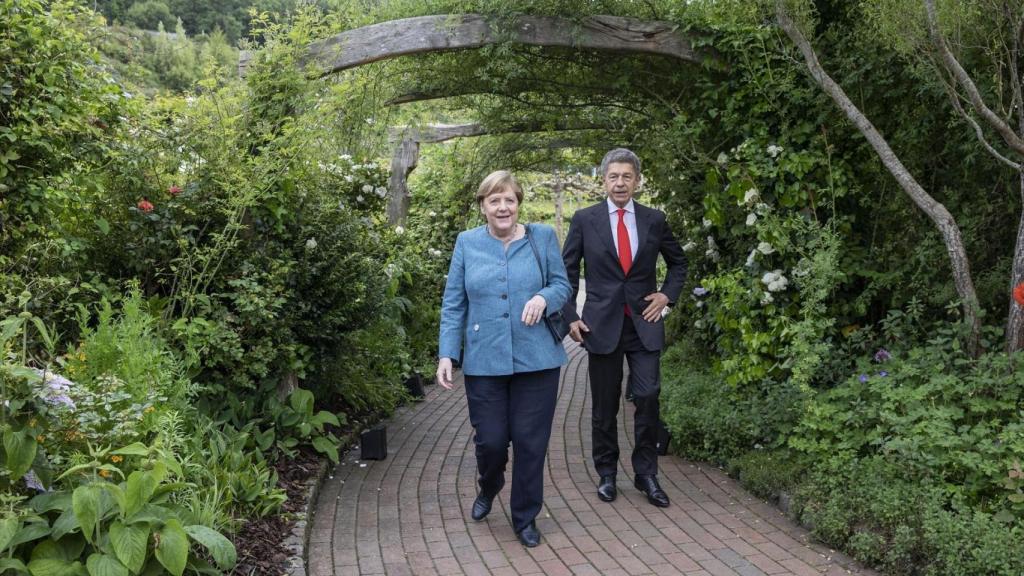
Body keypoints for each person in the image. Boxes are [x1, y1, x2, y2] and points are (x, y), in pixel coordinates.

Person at [436, 170, 572, 547]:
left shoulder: (542, 237)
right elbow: (454, 303)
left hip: (538, 360)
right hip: (484, 361)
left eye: (509, 200)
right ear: (482, 206)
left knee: (531, 442)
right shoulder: (466, 243)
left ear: (518, 204)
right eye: (494, 200)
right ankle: (490, 483)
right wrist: (448, 353)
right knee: (492, 441)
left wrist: (544, 298)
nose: (502, 207)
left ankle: (525, 517)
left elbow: (562, 284)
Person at [560, 148, 687, 508]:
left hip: (644, 323)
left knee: (647, 397)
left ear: (637, 181)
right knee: (604, 406)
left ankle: (646, 474)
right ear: (603, 180)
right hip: (600, 326)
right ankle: (607, 474)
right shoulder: (585, 220)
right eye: (613, 176)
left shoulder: (654, 219)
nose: (620, 183)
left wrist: (666, 296)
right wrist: (570, 315)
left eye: (626, 176)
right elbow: (566, 272)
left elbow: (678, 263)